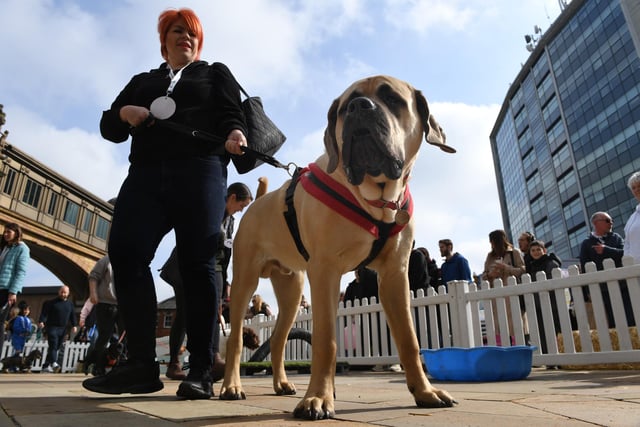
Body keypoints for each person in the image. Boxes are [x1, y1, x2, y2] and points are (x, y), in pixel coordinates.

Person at [82, 8, 248, 399]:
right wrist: (125, 113)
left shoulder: (213, 73)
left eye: (191, 33)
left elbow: (232, 114)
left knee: (199, 262)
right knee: (125, 252)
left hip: (201, 169)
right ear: (164, 39)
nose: (185, 38)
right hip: (146, 173)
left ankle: (202, 370)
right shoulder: (144, 80)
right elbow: (109, 126)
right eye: (177, 31)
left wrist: (236, 132)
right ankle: (139, 364)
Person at [160, 181, 255, 381]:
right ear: (232, 198)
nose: (240, 211)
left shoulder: (230, 221)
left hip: (216, 269)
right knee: (185, 314)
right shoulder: (209, 209)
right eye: (241, 205)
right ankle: (175, 363)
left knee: (213, 309)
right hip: (189, 267)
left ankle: (213, 358)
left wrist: (225, 284)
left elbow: (227, 252)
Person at [579, 211, 632, 328]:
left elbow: (626, 254)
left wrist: (606, 250)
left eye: (612, 221)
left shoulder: (616, 238)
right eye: (608, 221)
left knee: (630, 317)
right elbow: (584, 267)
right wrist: (587, 291)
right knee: (612, 319)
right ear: (596, 223)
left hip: (623, 285)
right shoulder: (587, 243)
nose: (611, 223)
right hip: (602, 290)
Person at [481, 230, 526, 342]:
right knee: (499, 327)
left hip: (512, 295)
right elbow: (484, 276)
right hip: (496, 297)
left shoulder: (513, 253)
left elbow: (523, 270)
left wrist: (507, 268)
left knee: (516, 327)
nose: (491, 244)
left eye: (493, 241)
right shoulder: (490, 256)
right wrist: (491, 274)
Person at [83, 255, 123, 376]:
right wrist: (93, 293)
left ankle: (120, 364)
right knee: (104, 336)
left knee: (123, 336)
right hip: (106, 303)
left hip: (123, 304)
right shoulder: (106, 260)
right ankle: (98, 365)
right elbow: (93, 276)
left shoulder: (130, 260)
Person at [0, 222, 30, 354]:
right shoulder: (5, 247)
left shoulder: (22, 248)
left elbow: (21, 271)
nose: (5, 234)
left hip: (6, 290)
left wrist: (13, 292)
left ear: (16, 233)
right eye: (4, 232)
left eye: (9, 232)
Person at [526, 240, 561, 355]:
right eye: (533, 250)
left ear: (544, 250)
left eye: (538, 249)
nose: (536, 252)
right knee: (542, 331)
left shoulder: (551, 263)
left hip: (552, 303)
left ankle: (559, 355)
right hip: (537, 304)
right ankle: (548, 357)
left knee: (555, 330)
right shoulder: (531, 266)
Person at [39, 285, 77, 372]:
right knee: (53, 344)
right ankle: (54, 363)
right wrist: (41, 321)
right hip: (52, 327)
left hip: (63, 329)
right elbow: (44, 313)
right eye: (61, 292)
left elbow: (73, 316)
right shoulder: (51, 303)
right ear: (58, 292)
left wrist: (74, 325)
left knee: (56, 347)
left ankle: (45, 365)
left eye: (65, 292)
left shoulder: (70, 304)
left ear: (68, 293)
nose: (63, 294)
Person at [624, 171, 640, 263]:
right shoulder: (632, 219)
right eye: (634, 188)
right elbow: (627, 244)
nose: (637, 189)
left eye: (639, 185)